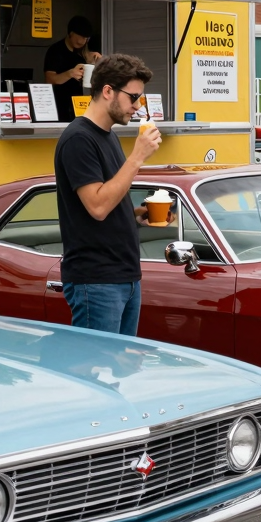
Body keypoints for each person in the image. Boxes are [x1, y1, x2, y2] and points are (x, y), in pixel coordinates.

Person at [54, 53, 161, 336]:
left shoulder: (109, 135)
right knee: (97, 362)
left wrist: (135, 215)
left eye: (140, 99)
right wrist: (136, 158)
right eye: (133, 97)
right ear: (107, 91)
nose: (137, 106)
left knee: (123, 364)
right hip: (96, 280)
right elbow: (98, 206)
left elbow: (108, 199)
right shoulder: (78, 138)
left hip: (125, 276)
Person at [44, 15, 102, 122]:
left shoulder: (84, 51)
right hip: (60, 104)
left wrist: (96, 62)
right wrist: (70, 73)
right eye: (80, 36)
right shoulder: (56, 50)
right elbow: (49, 79)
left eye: (86, 38)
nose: (82, 41)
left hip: (81, 104)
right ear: (70, 33)